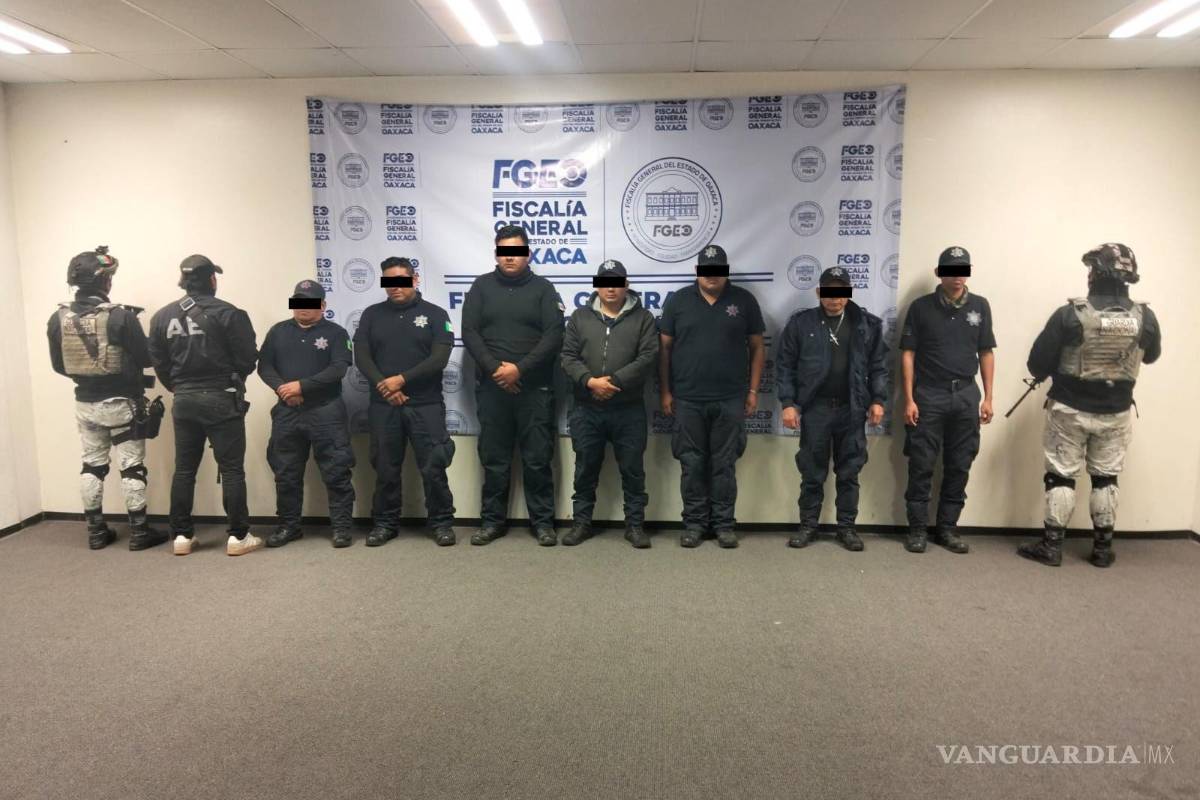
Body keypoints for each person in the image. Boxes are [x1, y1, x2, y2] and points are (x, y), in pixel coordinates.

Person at [1017, 243, 1162, 567]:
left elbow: (1037, 363)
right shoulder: (1145, 317)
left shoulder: (1070, 314)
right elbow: (1151, 356)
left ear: (1096, 273)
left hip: (1069, 410)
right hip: (1116, 412)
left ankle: (1052, 547)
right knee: (1105, 478)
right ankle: (1102, 550)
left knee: (1061, 476)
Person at [47, 246, 168, 551]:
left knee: (92, 465)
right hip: (122, 403)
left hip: (84, 404)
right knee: (131, 466)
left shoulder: (57, 317)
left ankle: (96, 532)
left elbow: (59, 366)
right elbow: (146, 358)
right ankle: (139, 532)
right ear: (105, 281)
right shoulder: (120, 317)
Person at [148, 255, 261, 556]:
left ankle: (182, 536)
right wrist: (231, 378)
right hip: (222, 397)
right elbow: (248, 358)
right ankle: (238, 537)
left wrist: (179, 387)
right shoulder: (230, 313)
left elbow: (158, 362)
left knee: (184, 470)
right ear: (212, 279)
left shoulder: (161, 317)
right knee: (232, 470)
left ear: (183, 281)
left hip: (184, 400)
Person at [462, 226, 564, 547]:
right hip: (493, 389)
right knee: (494, 460)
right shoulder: (480, 287)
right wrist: (497, 370)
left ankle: (543, 524)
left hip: (535, 389)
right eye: (504, 251)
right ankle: (492, 522)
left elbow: (554, 336)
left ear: (528, 254)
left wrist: (519, 370)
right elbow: (469, 333)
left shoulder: (544, 289)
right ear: (496, 254)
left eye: (516, 251)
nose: (510, 257)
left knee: (537, 459)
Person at [658, 244, 765, 548]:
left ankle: (723, 525)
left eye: (718, 269)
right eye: (707, 269)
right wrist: (665, 391)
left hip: (730, 398)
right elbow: (664, 349)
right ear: (697, 271)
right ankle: (694, 524)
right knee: (692, 464)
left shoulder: (744, 300)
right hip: (687, 399)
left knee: (724, 464)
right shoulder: (679, 301)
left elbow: (758, 347)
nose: (712, 275)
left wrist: (753, 390)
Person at [776, 267, 888, 551]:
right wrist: (788, 403)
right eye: (828, 292)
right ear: (818, 292)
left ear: (849, 294)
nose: (834, 298)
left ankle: (846, 528)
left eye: (840, 292)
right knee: (812, 472)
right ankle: (808, 526)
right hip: (816, 409)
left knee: (849, 472)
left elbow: (879, 366)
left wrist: (878, 399)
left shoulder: (867, 325)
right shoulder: (801, 324)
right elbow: (785, 365)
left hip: (852, 408)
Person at [354, 257, 457, 547]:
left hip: (425, 405)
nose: (395, 287)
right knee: (385, 469)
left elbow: (439, 358)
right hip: (384, 405)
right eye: (389, 281)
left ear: (415, 279)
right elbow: (362, 356)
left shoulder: (435, 314)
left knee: (434, 468)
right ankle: (385, 524)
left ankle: (441, 523)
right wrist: (386, 386)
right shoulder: (372, 315)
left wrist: (401, 379)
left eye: (401, 280)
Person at [899, 246, 995, 554]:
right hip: (929, 394)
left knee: (960, 464)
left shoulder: (980, 306)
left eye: (963, 271)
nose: (957, 277)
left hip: (966, 394)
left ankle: (947, 529)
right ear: (939, 273)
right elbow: (908, 354)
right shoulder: (921, 308)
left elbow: (986, 352)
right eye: (951, 271)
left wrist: (988, 397)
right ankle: (917, 530)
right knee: (921, 464)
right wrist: (909, 399)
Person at [559, 260, 659, 548]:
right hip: (586, 407)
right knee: (585, 469)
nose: (611, 288)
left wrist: (613, 382)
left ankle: (635, 526)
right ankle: (581, 524)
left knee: (633, 470)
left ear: (626, 285)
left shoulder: (643, 318)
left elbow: (648, 356)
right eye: (605, 282)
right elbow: (567, 357)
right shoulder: (580, 317)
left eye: (616, 282)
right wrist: (591, 382)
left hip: (628, 408)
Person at [257, 279, 355, 549]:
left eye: (310, 302)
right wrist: (284, 390)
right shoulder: (278, 332)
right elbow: (264, 366)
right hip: (287, 410)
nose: (303, 307)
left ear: (323, 305)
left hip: (326, 411)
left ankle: (342, 528)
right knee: (286, 472)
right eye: (299, 301)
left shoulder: (336, 333)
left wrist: (302, 386)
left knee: (336, 471)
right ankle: (289, 526)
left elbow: (338, 369)